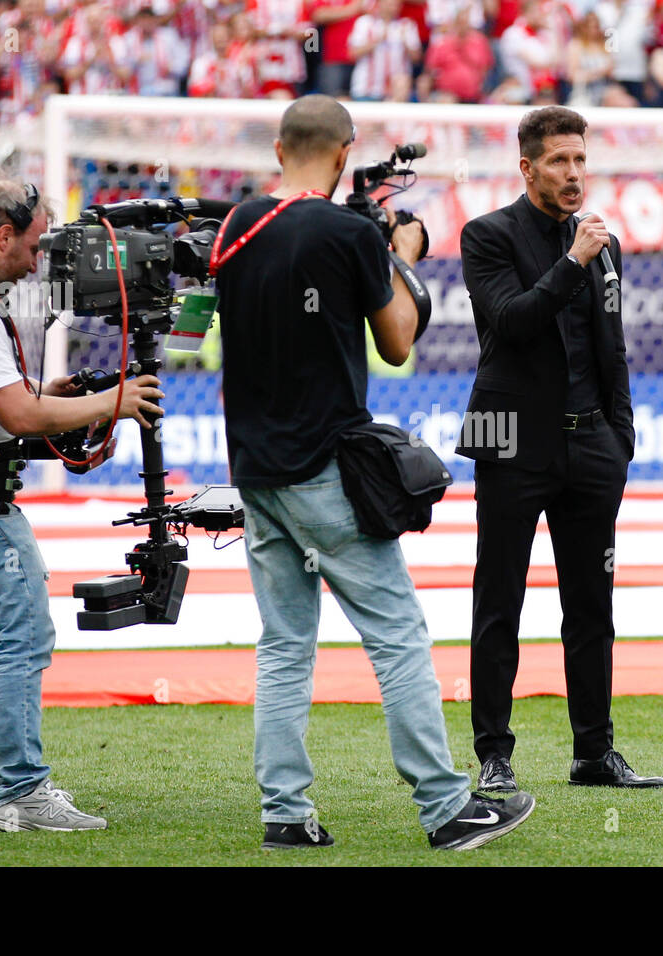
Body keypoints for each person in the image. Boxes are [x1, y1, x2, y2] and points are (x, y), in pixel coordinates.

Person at [215, 94, 534, 851]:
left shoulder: (237, 223)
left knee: (285, 644)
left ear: (278, 148)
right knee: (396, 634)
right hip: (324, 465)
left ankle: (285, 812)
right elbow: (396, 340)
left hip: (255, 466)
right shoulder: (347, 230)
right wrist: (403, 258)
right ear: (345, 151)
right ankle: (446, 805)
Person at [0, 180, 165, 831]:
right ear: (2, 235)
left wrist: (49, 390)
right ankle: (23, 790)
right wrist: (114, 400)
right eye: (34, 239)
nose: (38, 255)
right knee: (20, 635)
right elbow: (19, 415)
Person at [456, 106, 663, 794]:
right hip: (509, 439)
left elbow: (615, 349)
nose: (573, 175)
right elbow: (512, 323)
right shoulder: (486, 236)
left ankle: (593, 754)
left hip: (592, 447)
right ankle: (494, 755)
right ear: (527, 168)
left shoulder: (603, 242)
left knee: (591, 605)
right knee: (499, 600)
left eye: (580, 160)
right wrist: (572, 262)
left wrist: (620, 440)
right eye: (558, 162)